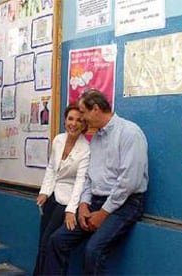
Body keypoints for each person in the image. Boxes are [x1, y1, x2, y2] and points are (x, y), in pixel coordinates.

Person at [44, 89, 148, 275]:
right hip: (95, 202)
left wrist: (103, 213)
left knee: (93, 250)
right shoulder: (96, 139)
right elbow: (88, 178)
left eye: (83, 113)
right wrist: (84, 204)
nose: (82, 120)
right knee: (56, 240)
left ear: (96, 110)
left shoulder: (130, 133)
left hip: (125, 203)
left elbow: (129, 183)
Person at [33, 102, 90, 275]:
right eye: (70, 119)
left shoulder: (86, 149)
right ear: (65, 120)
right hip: (51, 197)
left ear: (84, 125)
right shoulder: (58, 139)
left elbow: (81, 182)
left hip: (67, 202)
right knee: (42, 243)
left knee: (51, 243)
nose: (74, 123)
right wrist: (44, 191)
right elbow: (51, 168)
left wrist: (71, 210)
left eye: (79, 120)